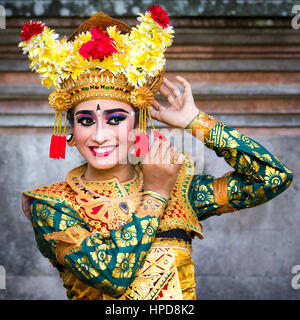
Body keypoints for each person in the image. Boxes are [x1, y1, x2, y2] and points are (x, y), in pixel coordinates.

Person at [20, 6, 293, 300]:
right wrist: (155, 195)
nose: (99, 135)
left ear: (140, 124)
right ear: (70, 130)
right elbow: (112, 276)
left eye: (115, 120)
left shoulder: (181, 189)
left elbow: (273, 178)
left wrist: (196, 123)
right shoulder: (53, 204)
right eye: (86, 121)